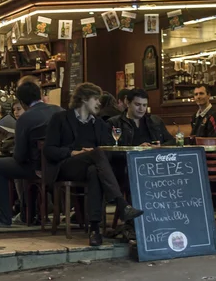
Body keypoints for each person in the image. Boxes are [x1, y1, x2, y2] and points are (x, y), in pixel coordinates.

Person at [43, 82, 143, 246]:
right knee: (97, 154)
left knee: (94, 172)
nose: (99, 103)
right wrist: (72, 152)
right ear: (83, 99)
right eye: (96, 99)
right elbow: (48, 150)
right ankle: (120, 202)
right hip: (67, 166)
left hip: (91, 167)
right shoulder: (60, 118)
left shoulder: (99, 124)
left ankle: (95, 230)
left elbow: (109, 151)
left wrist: (94, 154)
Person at [0, 82, 63, 228]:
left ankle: (3, 218)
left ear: (22, 102)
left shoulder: (25, 118)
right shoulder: (59, 110)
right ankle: (31, 212)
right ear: (40, 95)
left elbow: (19, 156)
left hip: (37, 168)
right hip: (61, 165)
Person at [108, 89, 175, 147]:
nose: (141, 109)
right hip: (129, 160)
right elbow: (110, 150)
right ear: (128, 103)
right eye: (137, 104)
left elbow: (172, 142)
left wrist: (159, 147)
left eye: (144, 105)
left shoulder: (156, 121)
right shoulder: (114, 123)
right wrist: (136, 150)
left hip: (154, 159)